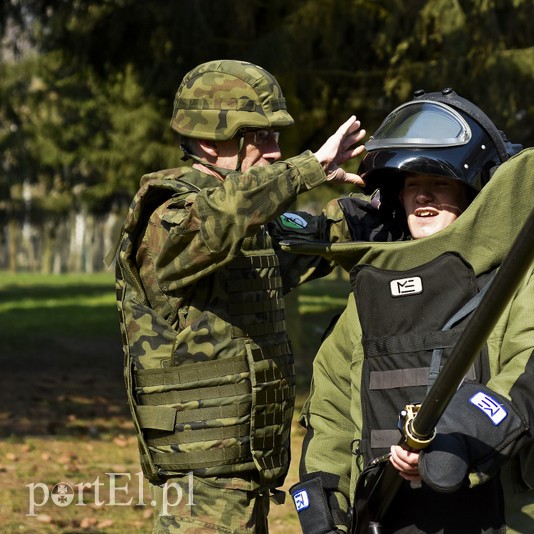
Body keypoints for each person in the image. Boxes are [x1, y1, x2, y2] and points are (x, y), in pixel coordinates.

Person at [289, 89, 534, 533]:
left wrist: (457, 441)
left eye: (440, 182)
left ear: (472, 194)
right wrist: (324, 508)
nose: (423, 195)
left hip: (494, 517)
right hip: (385, 520)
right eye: (410, 185)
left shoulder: (521, 282)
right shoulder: (366, 298)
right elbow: (331, 410)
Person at [107, 59, 366, 532]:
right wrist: (307, 169)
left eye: (277, 139)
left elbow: (306, 244)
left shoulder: (247, 219)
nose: (274, 151)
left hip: (245, 471)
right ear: (211, 140)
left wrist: (380, 206)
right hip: (204, 480)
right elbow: (217, 220)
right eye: (262, 136)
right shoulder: (170, 215)